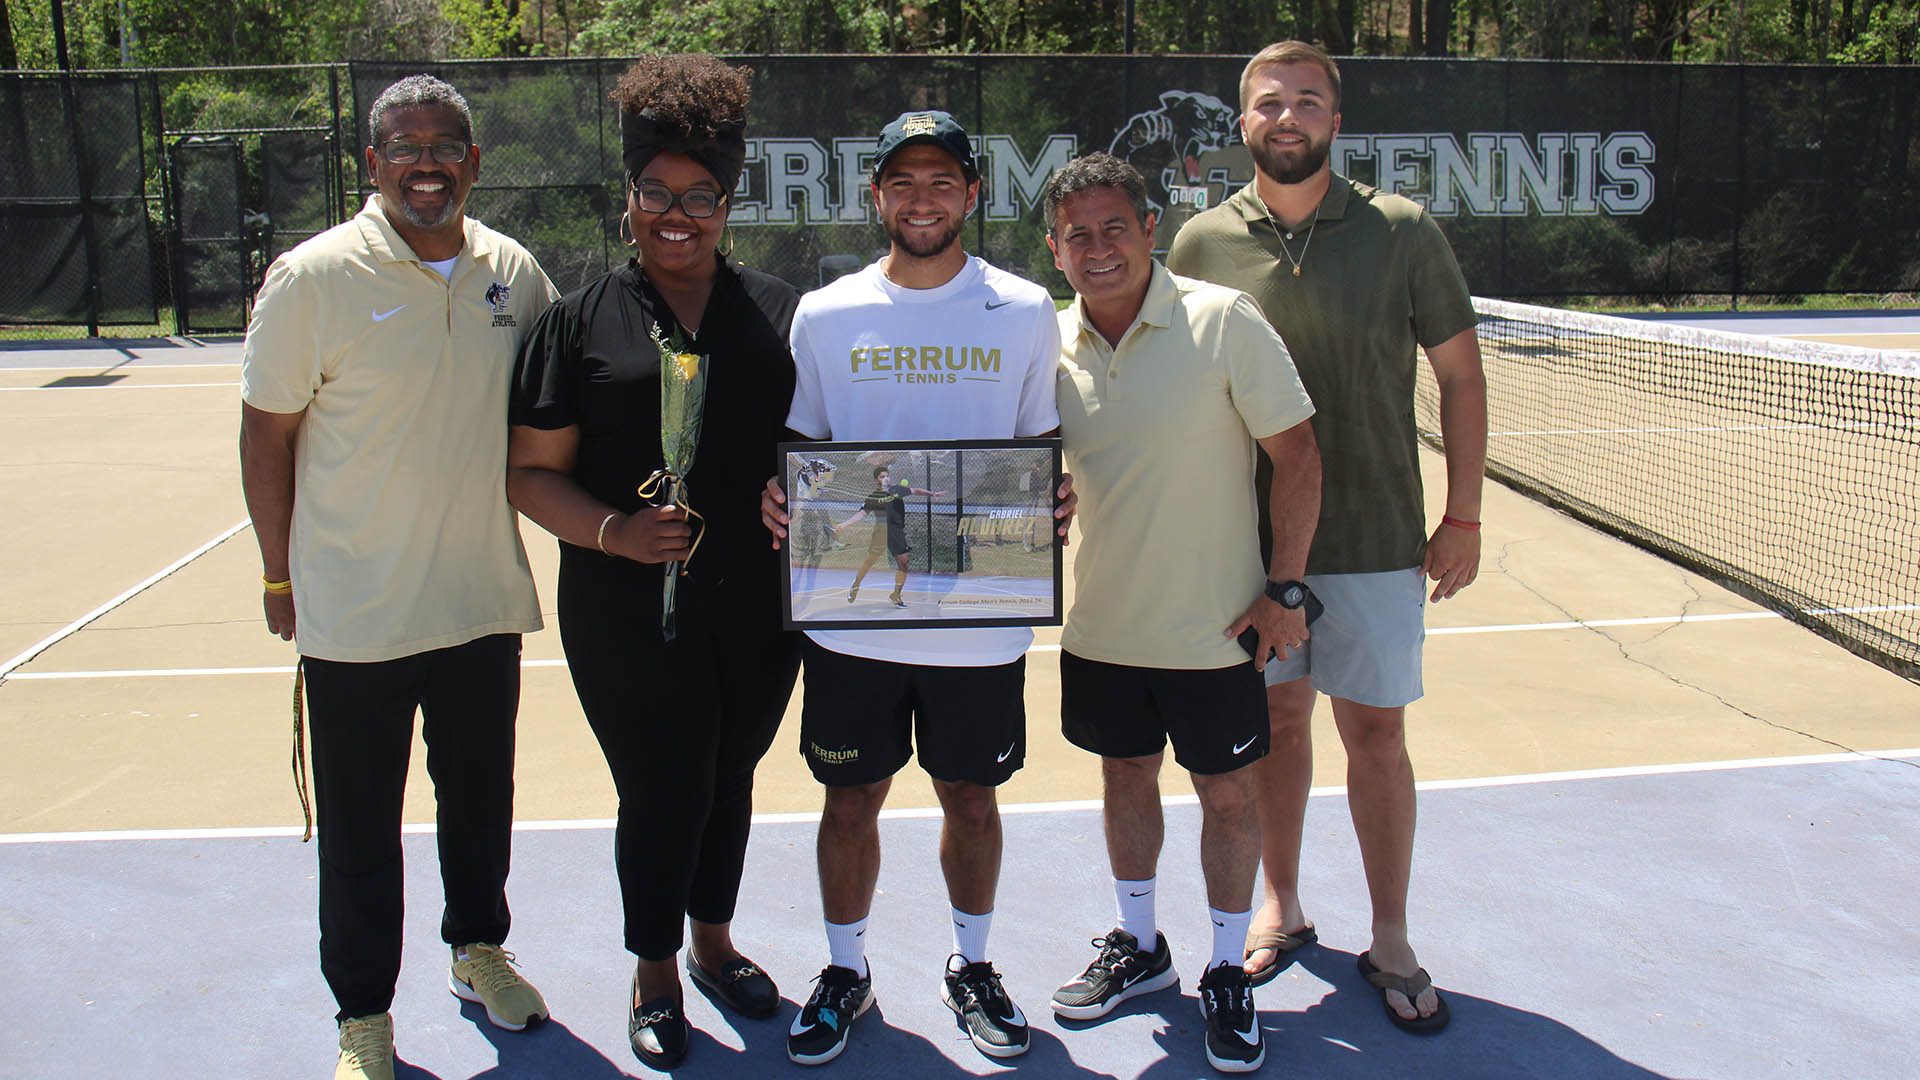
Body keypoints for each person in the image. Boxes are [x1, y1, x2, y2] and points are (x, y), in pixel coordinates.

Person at [1166, 40, 1489, 1035]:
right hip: (1251, 552)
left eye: (1309, 101)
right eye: (1271, 102)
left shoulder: (1403, 231)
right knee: (1280, 724)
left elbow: (1461, 377)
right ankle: (1284, 904)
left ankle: (1390, 935)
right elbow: (1172, 388)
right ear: (1245, 123)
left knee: (1378, 737)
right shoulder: (1199, 242)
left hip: (1380, 539)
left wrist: (1462, 515)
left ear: (1336, 123)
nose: (1289, 116)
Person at [238, 74, 557, 1080]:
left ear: (473, 162)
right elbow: (266, 435)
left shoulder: (513, 271)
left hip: (478, 602)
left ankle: (478, 952)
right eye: (407, 148)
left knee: (481, 805)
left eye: (445, 146)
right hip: (357, 614)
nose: (428, 165)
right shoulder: (313, 276)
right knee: (362, 830)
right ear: (372, 164)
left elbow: (562, 408)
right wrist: (278, 577)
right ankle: (363, 1015)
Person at [503, 54, 802, 1072]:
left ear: (729, 202)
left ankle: (715, 943)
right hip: (624, 604)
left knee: (731, 774)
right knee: (663, 784)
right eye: (657, 194)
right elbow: (529, 474)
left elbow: (826, 453)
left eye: (700, 196)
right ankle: (656, 968)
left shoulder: (781, 313)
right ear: (628, 199)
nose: (678, 216)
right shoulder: (577, 323)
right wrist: (614, 533)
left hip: (758, 599)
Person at [759, 109, 1072, 1067]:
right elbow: (808, 447)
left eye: (942, 181)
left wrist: (1051, 495)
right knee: (849, 800)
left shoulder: (1025, 308)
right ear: (877, 195)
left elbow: (1035, 448)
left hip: (980, 626)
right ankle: (845, 972)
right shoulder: (827, 312)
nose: (922, 198)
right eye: (903, 181)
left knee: (971, 801)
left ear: (972, 193)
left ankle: (972, 966)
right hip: (852, 629)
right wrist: (782, 492)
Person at [1040, 152, 1319, 1073]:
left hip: (1217, 632)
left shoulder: (1223, 319)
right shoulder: (1046, 343)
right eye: (1077, 235)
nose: (1099, 248)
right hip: (1103, 631)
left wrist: (1285, 589)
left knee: (1227, 797)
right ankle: (1140, 945)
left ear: (1149, 229)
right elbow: (1026, 467)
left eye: (1115, 228)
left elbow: (1300, 455)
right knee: (1125, 778)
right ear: (1055, 250)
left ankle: (1226, 970)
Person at [834, 464, 944, 607]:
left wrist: (932, 494)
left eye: (887, 476)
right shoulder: (873, 497)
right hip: (881, 531)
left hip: (897, 531)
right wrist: (845, 524)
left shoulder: (897, 490)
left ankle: (896, 595)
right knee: (870, 561)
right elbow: (861, 514)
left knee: (904, 562)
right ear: (876, 480)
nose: (886, 478)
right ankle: (856, 583)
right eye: (882, 477)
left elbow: (915, 490)